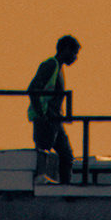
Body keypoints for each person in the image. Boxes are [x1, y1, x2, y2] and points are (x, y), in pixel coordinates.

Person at [28, 35, 81, 184]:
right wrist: (42, 115)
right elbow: (32, 89)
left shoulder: (58, 68)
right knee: (44, 155)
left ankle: (64, 189)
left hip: (55, 122)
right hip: (47, 121)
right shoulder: (51, 65)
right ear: (66, 50)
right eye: (74, 53)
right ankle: (45, 187)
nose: (75, 58)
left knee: (66, 156)